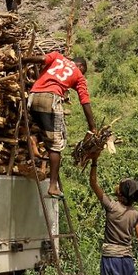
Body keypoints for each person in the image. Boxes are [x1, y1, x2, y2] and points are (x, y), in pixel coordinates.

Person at [26, 41, 95, 197]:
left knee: (41, 126)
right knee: (57, 144)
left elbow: (41, 59)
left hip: (33, 96)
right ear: (81, 67)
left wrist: (25, 60)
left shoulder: (58, 57)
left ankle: (33, 139)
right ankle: (52, 186)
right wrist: (92, 126)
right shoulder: (78, 74)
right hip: (50, 100)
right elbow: (85, 101)